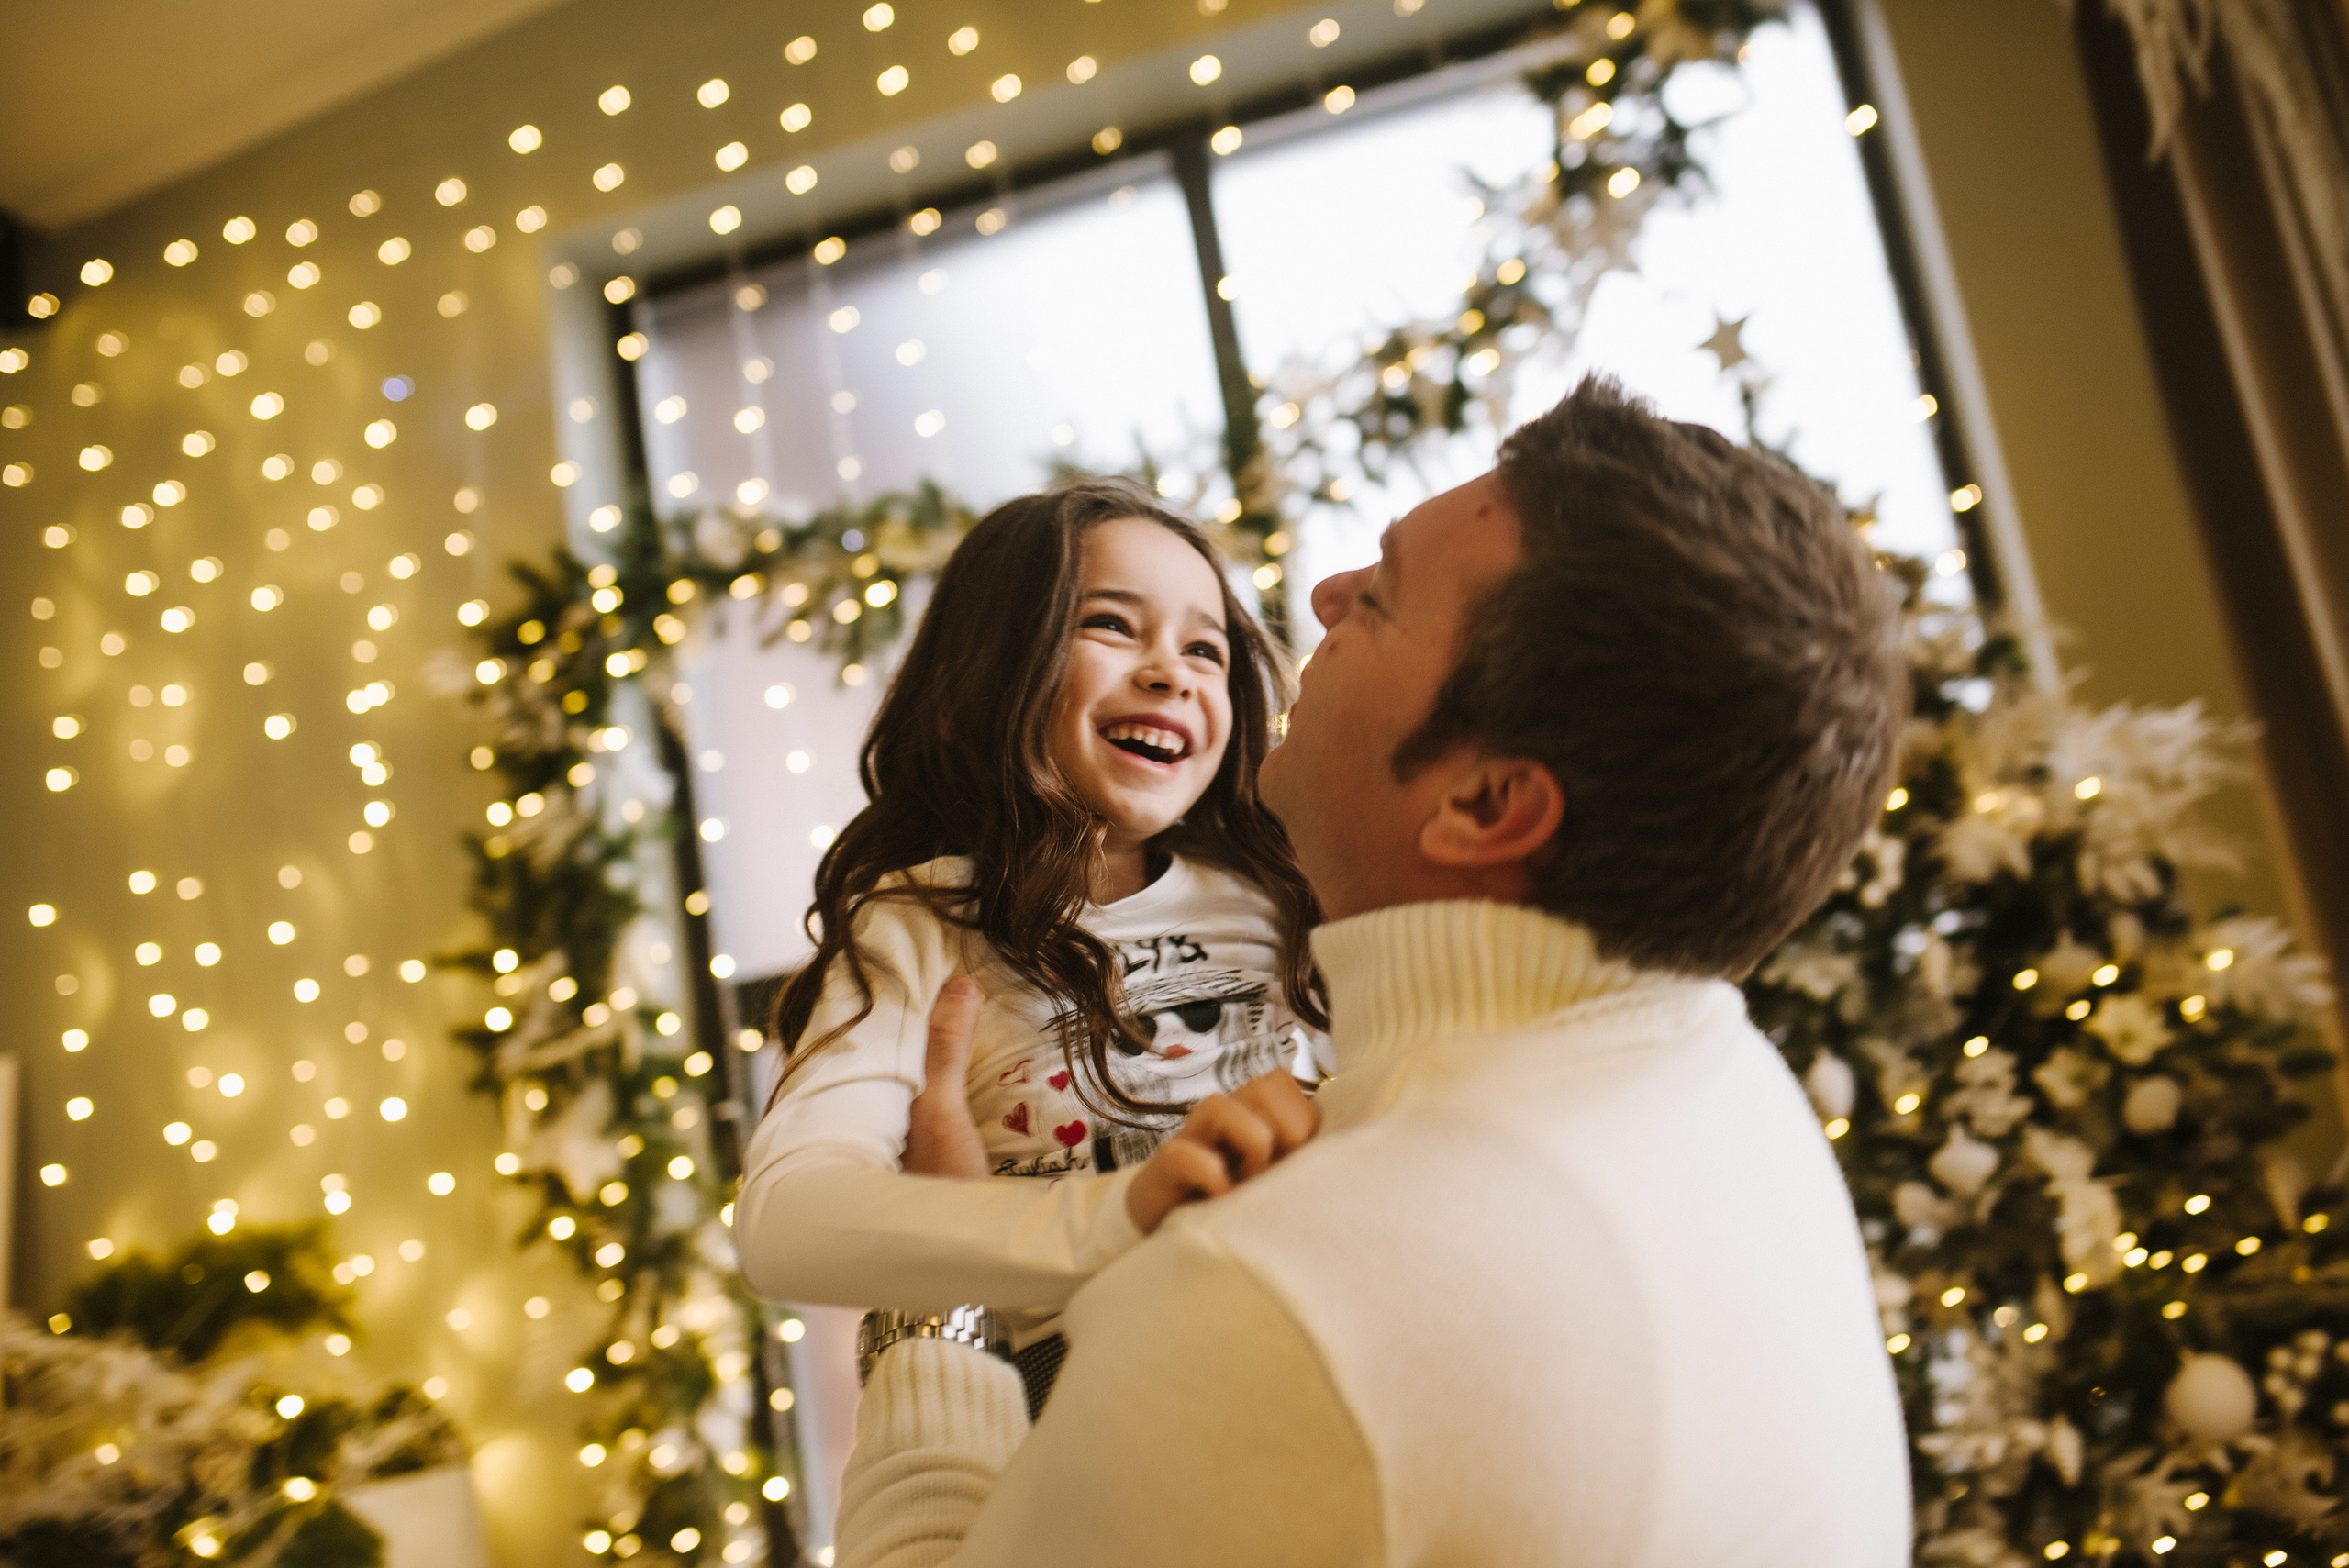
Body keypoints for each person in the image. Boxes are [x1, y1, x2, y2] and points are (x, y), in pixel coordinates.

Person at [832, 376, 1917, 1567]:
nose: (1322, 596)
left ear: (1486, 803)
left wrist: (936, 1281)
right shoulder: (1732, 1093)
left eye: (1384, 600)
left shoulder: (1278, 1295)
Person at [733, 479, 1326, 1410]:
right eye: (1111, 625)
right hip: (1085, 1406)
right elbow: (783, 1220)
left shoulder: (1279, 896)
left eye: (1204, 647)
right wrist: (1113, 1212)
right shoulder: (918, 929)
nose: (1171, 670)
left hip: (1319, 1349)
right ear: (992, 663)